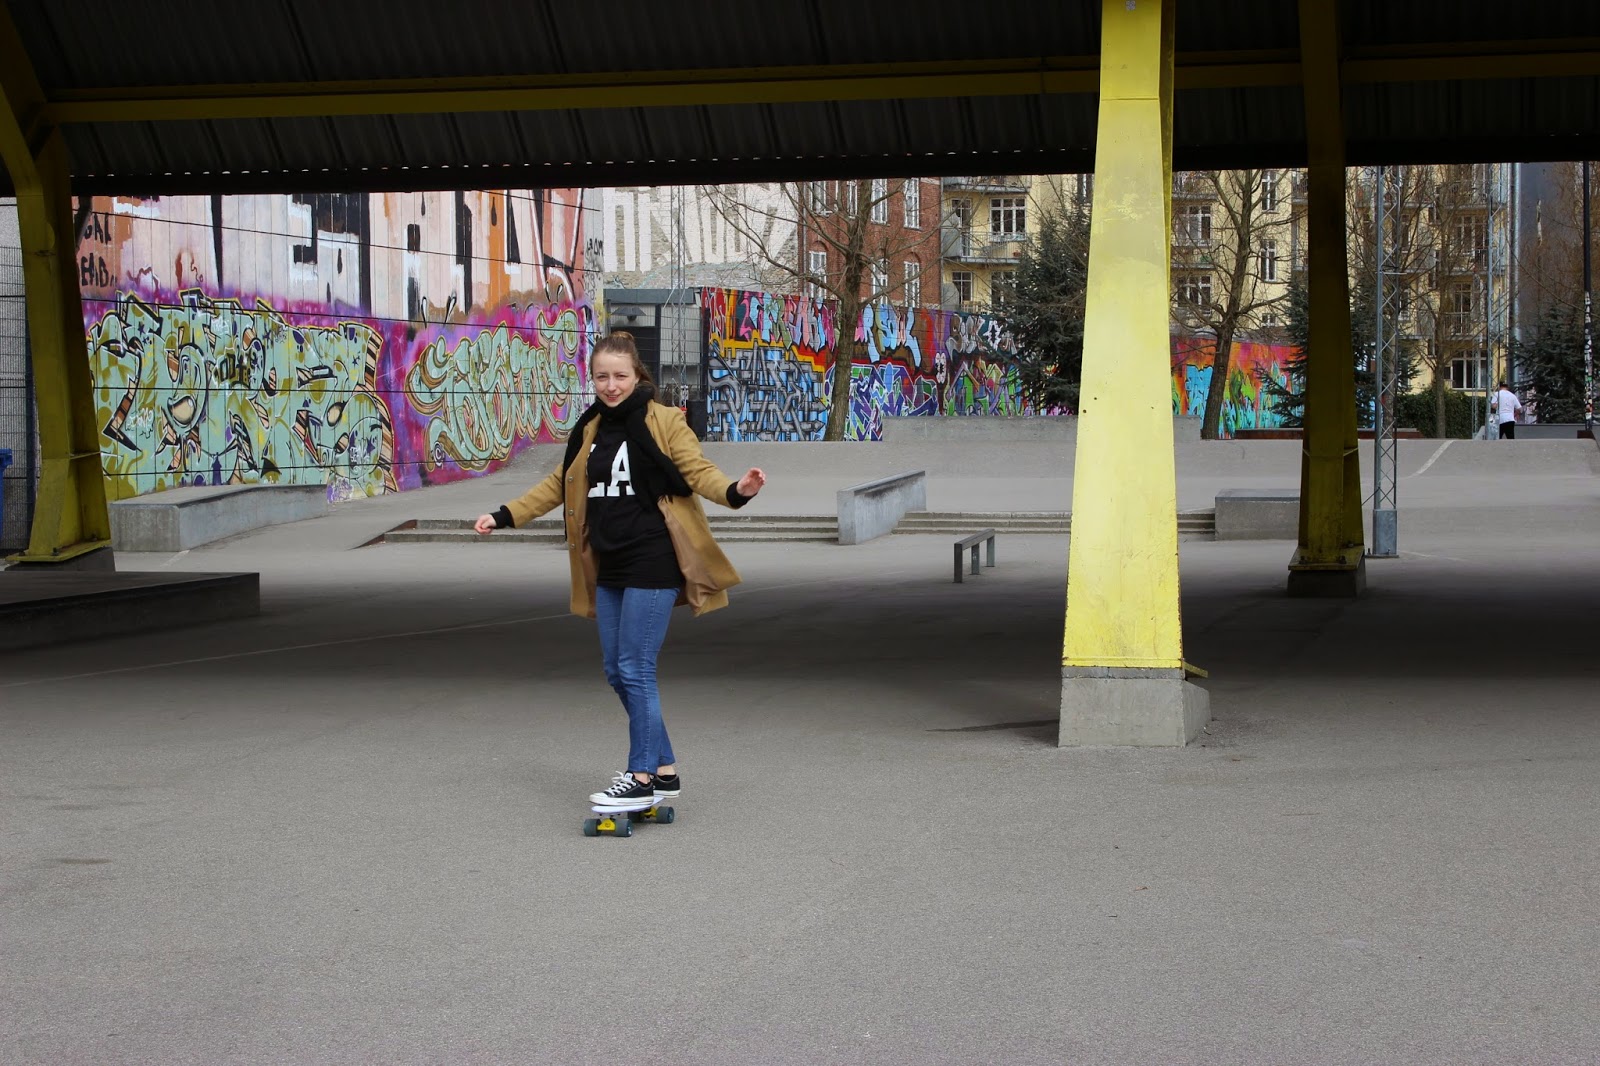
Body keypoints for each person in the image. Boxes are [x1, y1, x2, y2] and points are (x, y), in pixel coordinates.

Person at [474, 331, 765, 805]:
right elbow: (559, 483)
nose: (611, 386)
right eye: (601, 377)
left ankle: (641, 777)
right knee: (616, 670)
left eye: (620, 376)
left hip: (653, 556)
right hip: (608, 560)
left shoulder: (664, 421)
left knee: (636, 667)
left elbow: (697, 471)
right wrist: (505, 514)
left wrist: (737, 491)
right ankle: (664, 770)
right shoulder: (589, 428)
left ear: (637, 375)